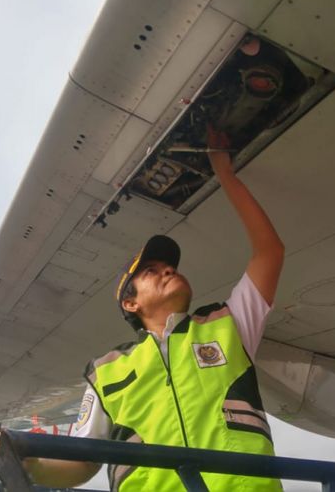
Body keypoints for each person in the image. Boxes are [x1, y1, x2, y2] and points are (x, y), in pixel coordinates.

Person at [24, 126, 284, 491]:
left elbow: (269, 251)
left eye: (169, 266)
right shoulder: (106, 373)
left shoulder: (229, 325)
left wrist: (224, 172)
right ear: (130, 303)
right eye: (150, 271)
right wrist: (31, 463)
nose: (168, 269)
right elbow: (82, 462)